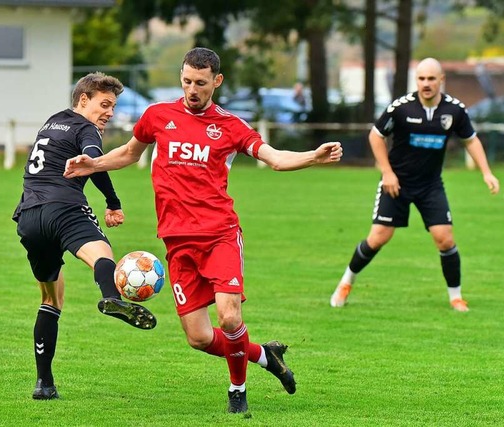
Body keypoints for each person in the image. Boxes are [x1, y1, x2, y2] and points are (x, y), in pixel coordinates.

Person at [63, 47, 343, 414]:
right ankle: (266, 356)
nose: (192, 89)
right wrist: (93, 163)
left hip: (219, 235)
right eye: (186, 82)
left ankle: (237, 392)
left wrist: (312, 156)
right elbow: (131, 152)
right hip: (177, 242)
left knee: (229, 317)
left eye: (200, 83)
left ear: (216, 81)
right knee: (198, 337)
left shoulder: (230, 126)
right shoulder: (158, 115)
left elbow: (274, 157)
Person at [12, 72, 157, 400]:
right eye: (104, 104)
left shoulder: (53, 122)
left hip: (29, 216)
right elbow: (94, 155)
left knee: (50, 300)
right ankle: (112, 296)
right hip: (64, 207)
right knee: (102, 253)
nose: (109, 112)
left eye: (113, 107)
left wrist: (108, 194)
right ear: (83, 100)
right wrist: (112, 200)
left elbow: (93, 164)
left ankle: (43, 384)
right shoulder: (86, 127)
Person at [329, 57, 500, 312]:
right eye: (421, 78)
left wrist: (486, 172)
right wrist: (387, 172)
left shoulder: (454, 110)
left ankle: (456, 297)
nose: (426, 83)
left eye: (431, 78)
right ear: (416, 81)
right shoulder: (401, 108)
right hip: (396, 183)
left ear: (441, 80)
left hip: (430, 185)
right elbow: (376, 136)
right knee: (378, 238)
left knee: (445, 239)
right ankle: (346, 282)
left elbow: (471, 140)